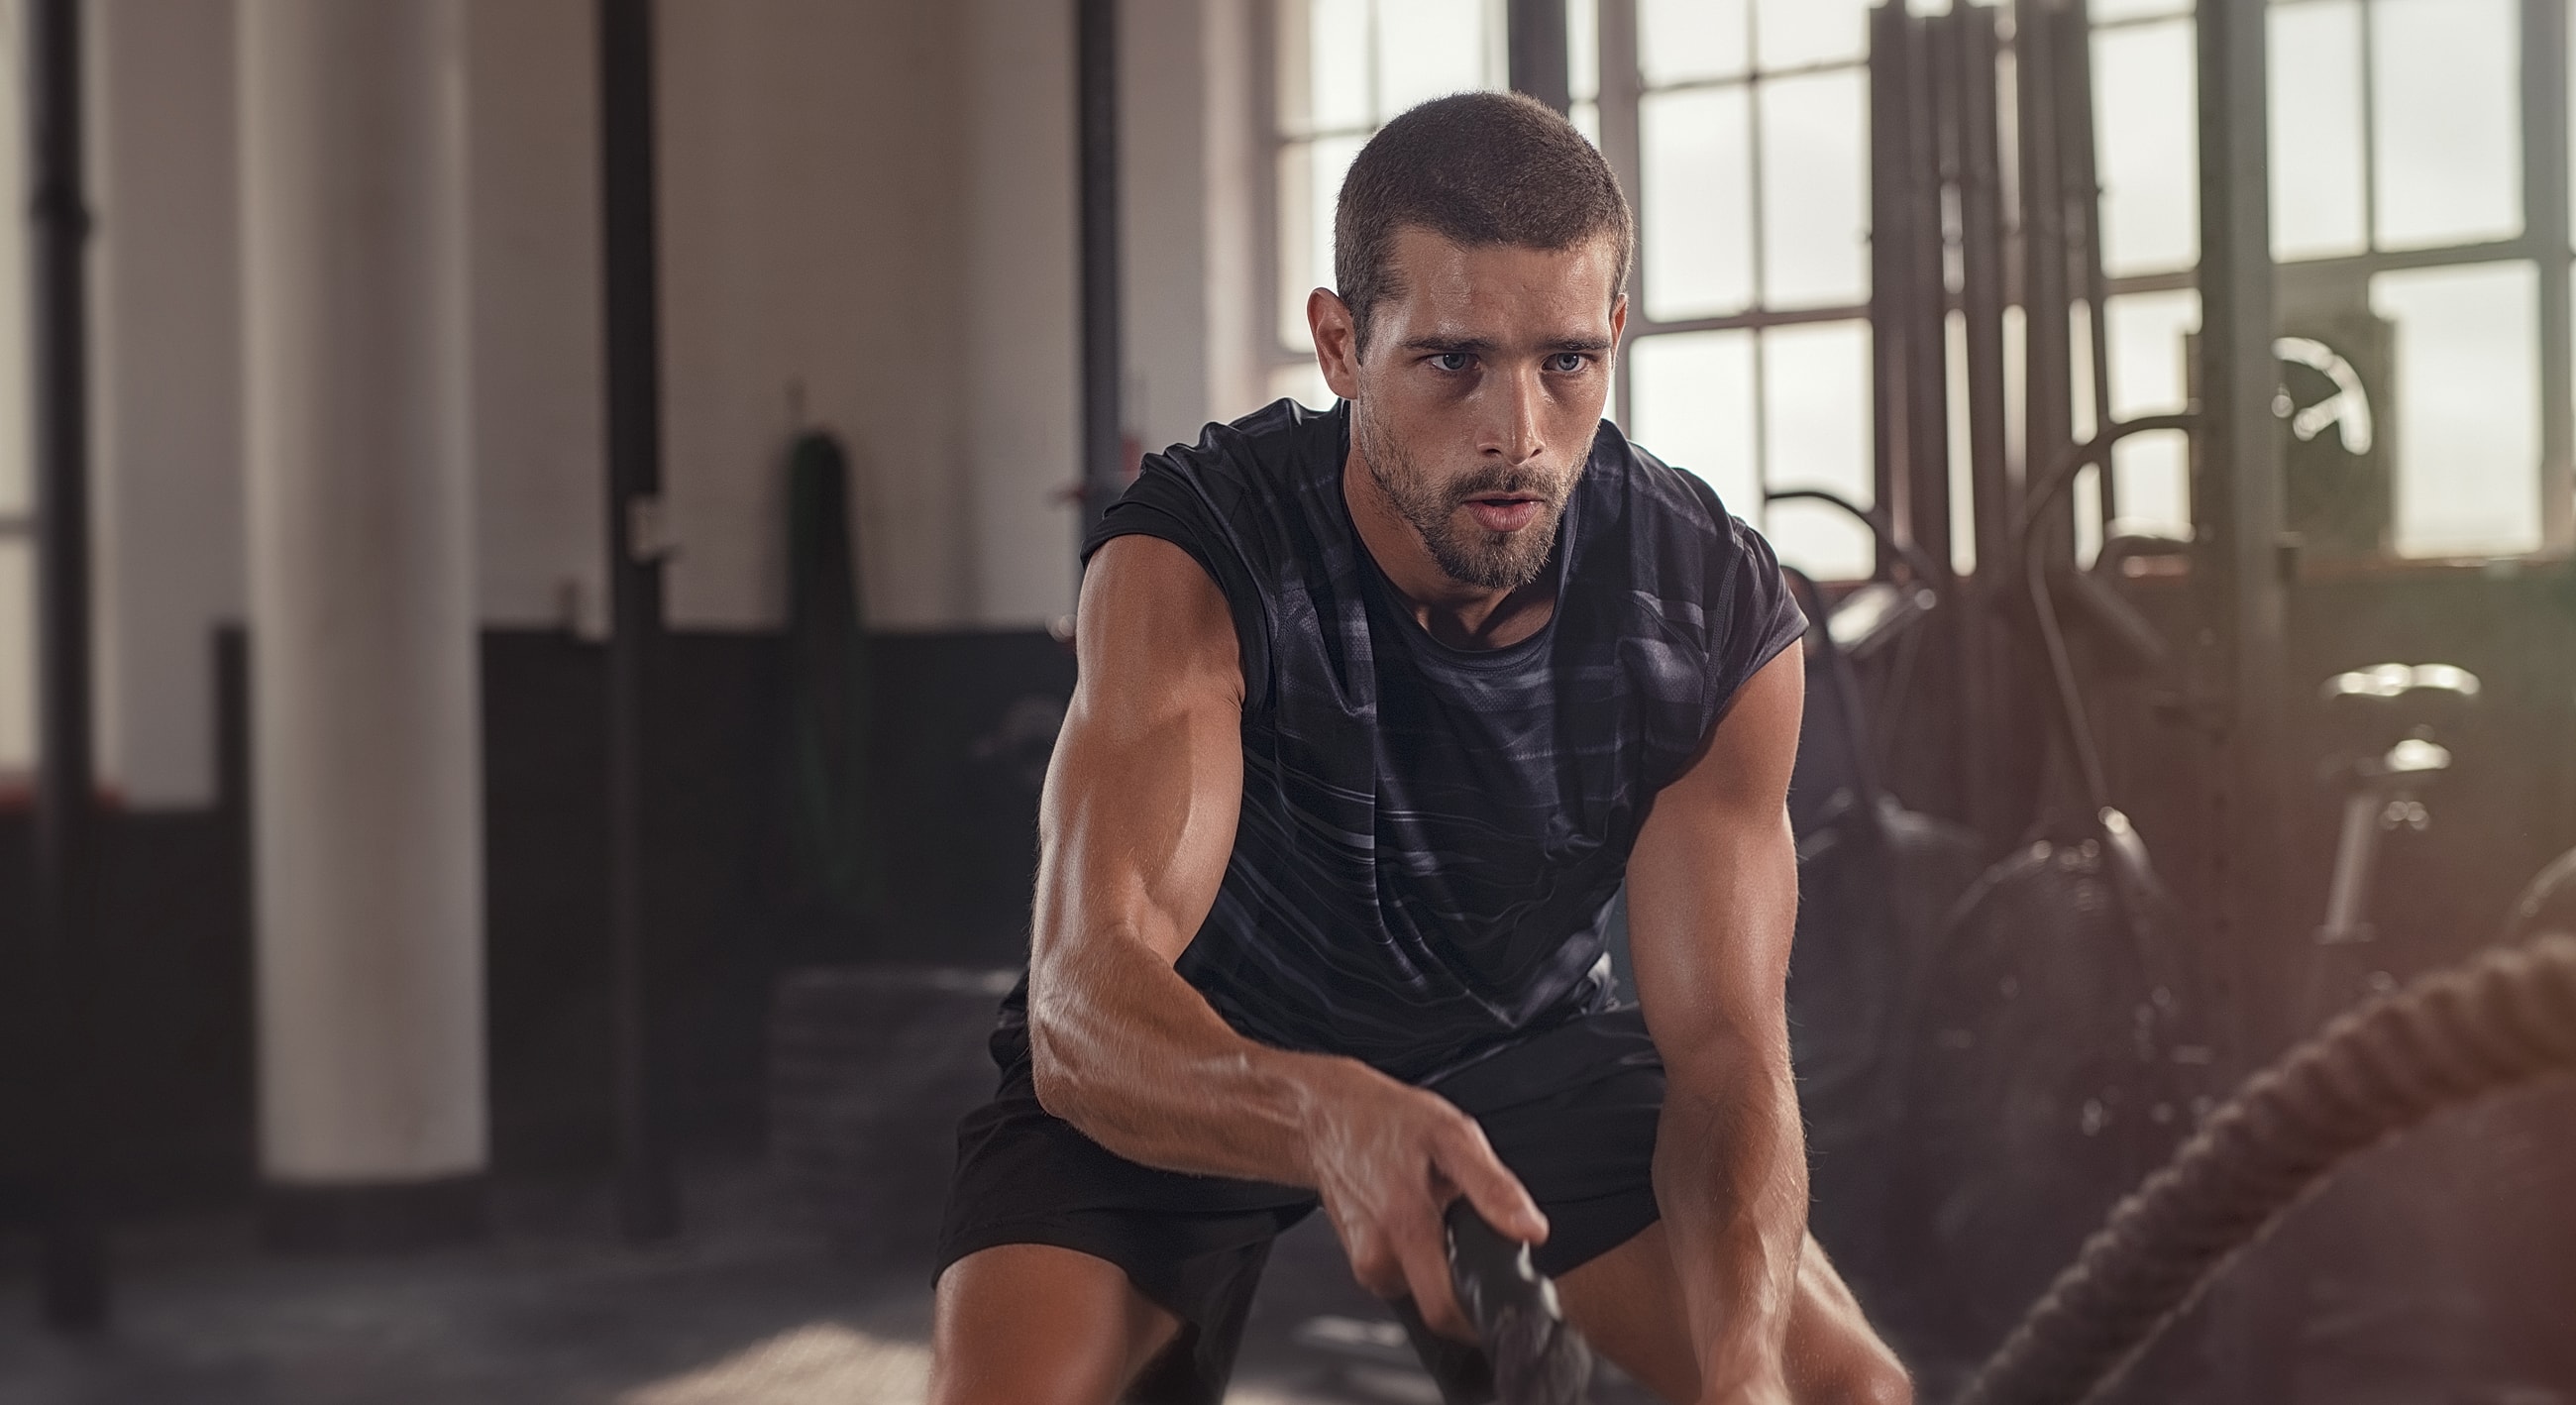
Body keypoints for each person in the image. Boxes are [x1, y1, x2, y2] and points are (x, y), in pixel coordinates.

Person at [928, 91, 1910, 1405]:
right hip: (1198, 1043)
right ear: (1341, 344)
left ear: (1614, 334)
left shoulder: (1707, 606)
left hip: (1512, 1041)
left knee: (1835, 1393)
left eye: (1566, 360)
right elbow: (1082, 999)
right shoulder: (1201, 551)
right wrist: (1323, 1109)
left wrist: (1740, 1379)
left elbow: (1728, 1056)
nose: (1518, 430)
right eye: (1454, 360)